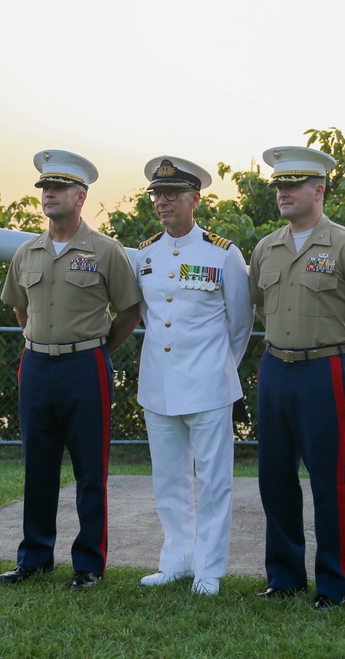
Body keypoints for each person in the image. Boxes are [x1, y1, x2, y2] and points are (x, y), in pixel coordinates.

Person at [248, 146, 345, 610]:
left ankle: (333, 585)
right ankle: (284, 577)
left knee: (327, 482)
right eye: (279, 186)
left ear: (319, 190)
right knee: (274, 479)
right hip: (274, 370)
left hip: (323, 372)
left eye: (292, 185)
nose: (283, 193)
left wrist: (342, 358)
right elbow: (257, 306)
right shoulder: (265, 247)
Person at [0, 149, 142, 591]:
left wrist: (95, 351)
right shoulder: (27, 252)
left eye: (58, 188)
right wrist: (42, 341)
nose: (49, 195)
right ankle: (34, 559)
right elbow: (20, 310)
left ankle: (89, 565)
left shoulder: (105, 250)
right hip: (37, 366)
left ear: (81, 196)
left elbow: (129, 311)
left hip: (86, 368)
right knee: (37, 468)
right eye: (44, 187)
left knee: (89, 471)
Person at [135, 156, 253, 596]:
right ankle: (176, 560)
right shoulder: (145, 254)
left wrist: (218, 368)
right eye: (157, 195)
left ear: (194, 198)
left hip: (208, 386)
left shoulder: (223, 253)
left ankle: (209, 569)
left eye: (172, 194)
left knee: (214, 481)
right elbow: (149, 315)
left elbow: (240, 324)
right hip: (158, 386)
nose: (162, 202)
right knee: (168, 479)